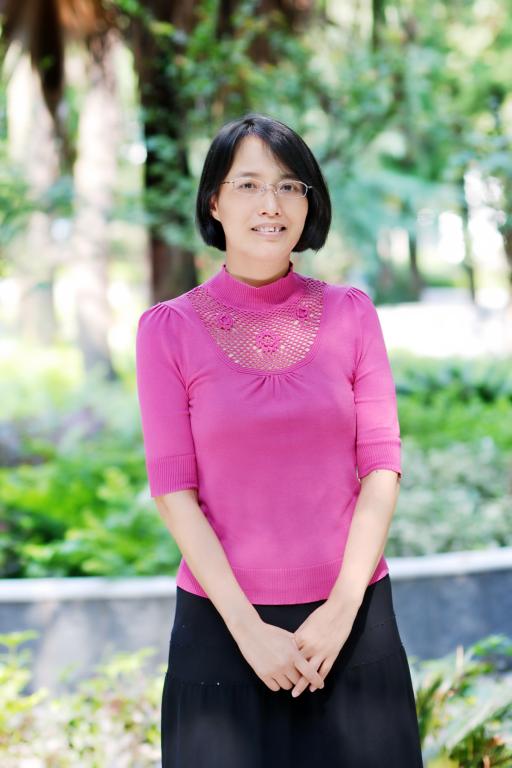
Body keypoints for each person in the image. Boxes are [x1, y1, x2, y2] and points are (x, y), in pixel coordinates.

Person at [135, 112, 424, 767]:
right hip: (221, 630)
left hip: (353, 623)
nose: (272, 204)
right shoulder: (167, 330)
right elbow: (174, 490)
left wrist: (342, 607)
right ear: (214, 201)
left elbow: (382, 466)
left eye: (290, 185)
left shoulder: (353, 313)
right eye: (248, 185)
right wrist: (248, 631)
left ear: (309, 202)